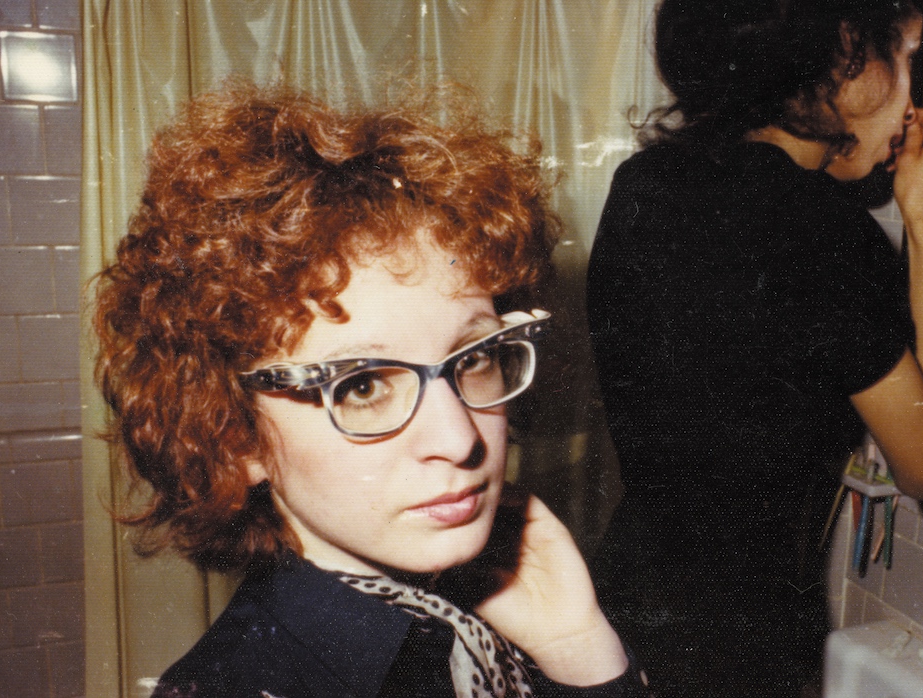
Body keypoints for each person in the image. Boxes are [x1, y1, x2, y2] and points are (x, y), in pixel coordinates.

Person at [93, 82, 649, 698]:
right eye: (361, 386)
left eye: (475, 359)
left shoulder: (501, 630)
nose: (460, 438)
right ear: (233, 434)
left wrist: (578, 650)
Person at [585, 1, 923, 695]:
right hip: (742, 641)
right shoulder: (827, 228)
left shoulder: (642, 185)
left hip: (617, 604)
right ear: (845, 52)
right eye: (907, 54)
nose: (914, 103)